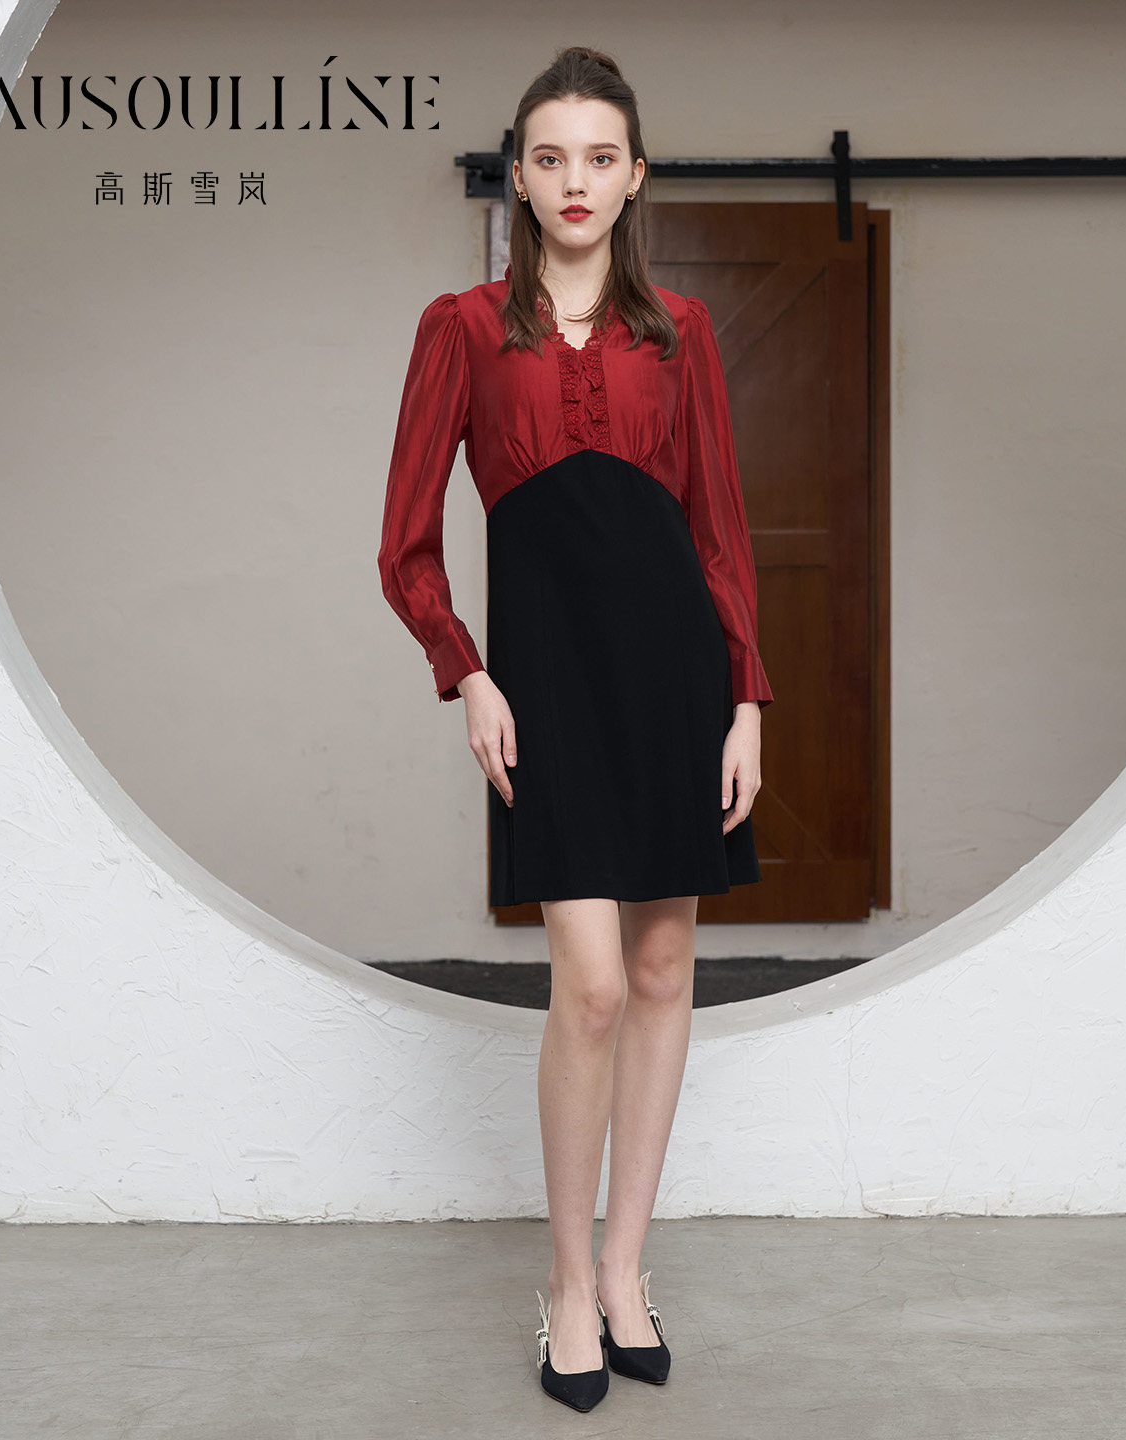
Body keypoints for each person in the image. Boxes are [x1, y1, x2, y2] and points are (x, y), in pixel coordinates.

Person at [378, 44, 774, 1413]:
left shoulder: (684, 334)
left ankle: (623, 1271)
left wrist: (747, 699)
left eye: (601, 157)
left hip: (675, 675)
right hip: (546, 678)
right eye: (551, 158)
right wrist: (469, 675)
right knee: (591, 985)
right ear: (519, 173)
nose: (576, 181)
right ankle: (562, 1281)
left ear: (636, 174)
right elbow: (405, 544)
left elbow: (720, 529)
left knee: (663, 973)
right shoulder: (459, 328)